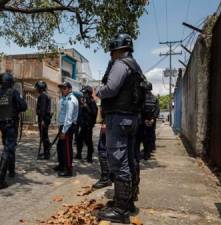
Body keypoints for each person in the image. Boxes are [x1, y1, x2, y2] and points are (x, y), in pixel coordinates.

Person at [96, 33, 147, 223]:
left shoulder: (120, 64)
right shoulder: (135, 66)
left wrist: (97, 91)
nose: (110, 55)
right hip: (132, 119)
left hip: (119, 118)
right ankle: (128, 201)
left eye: (112, 51)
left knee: (119, 162)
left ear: (117, 49)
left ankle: (121, 210)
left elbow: (111, 88)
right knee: (131, 160)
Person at [0, 72, 27, 189]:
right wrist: (18, 104)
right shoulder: (13, 92)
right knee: (8, 148)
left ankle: (11, 170)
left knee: (9, 146)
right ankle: (0, 179)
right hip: (11, 124)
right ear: (11, 83)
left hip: (1, 124)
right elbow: (24, 106)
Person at [54, 81, 79, 177]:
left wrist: (64, 131)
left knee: (67, 149)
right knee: (60, 147)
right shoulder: (64, 99)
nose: (62, 90)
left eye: (64, 88)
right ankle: (61, 165)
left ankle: (68, 170)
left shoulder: (71, 100)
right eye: (61, 88)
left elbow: (69, 117)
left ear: (69, 89)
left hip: (67, 127)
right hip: (63, 126)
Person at [137, 82, 160, 160]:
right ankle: (147, 154)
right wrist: (153, 119)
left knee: (139, 138)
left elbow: (139, 109)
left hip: (142, 122)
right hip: (151, 122)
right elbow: (157, 110)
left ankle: (137, 154)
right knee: (149, 137)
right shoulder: (155, 98)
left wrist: (144, 119)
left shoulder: (141, 98)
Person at [76, 85, 98, 163]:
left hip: (88, 125)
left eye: (85, 93)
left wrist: (86, 107)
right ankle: (79, 154)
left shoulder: (92, 102)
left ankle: (89, 158)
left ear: (88, 93)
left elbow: (94, 113)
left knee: (88, 142)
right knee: (79, 140)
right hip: (84, 125)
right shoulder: (86, 101)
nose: (83, 94)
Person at [92, 110, 112, 189]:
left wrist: (105, 122)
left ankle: (105, 178)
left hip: (111, 121)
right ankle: (110, 176)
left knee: (103, 150)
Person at [35, 80, 52, 160]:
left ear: (40, 88)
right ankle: (46, 151)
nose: (36, 89)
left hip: (44, 119)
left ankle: (47, 154)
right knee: (44, 136)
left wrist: (42, 120)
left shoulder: (43, 96)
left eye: (37, 88)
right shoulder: (45, 95)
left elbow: (42, 109)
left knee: (44, 136)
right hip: (45, 118)